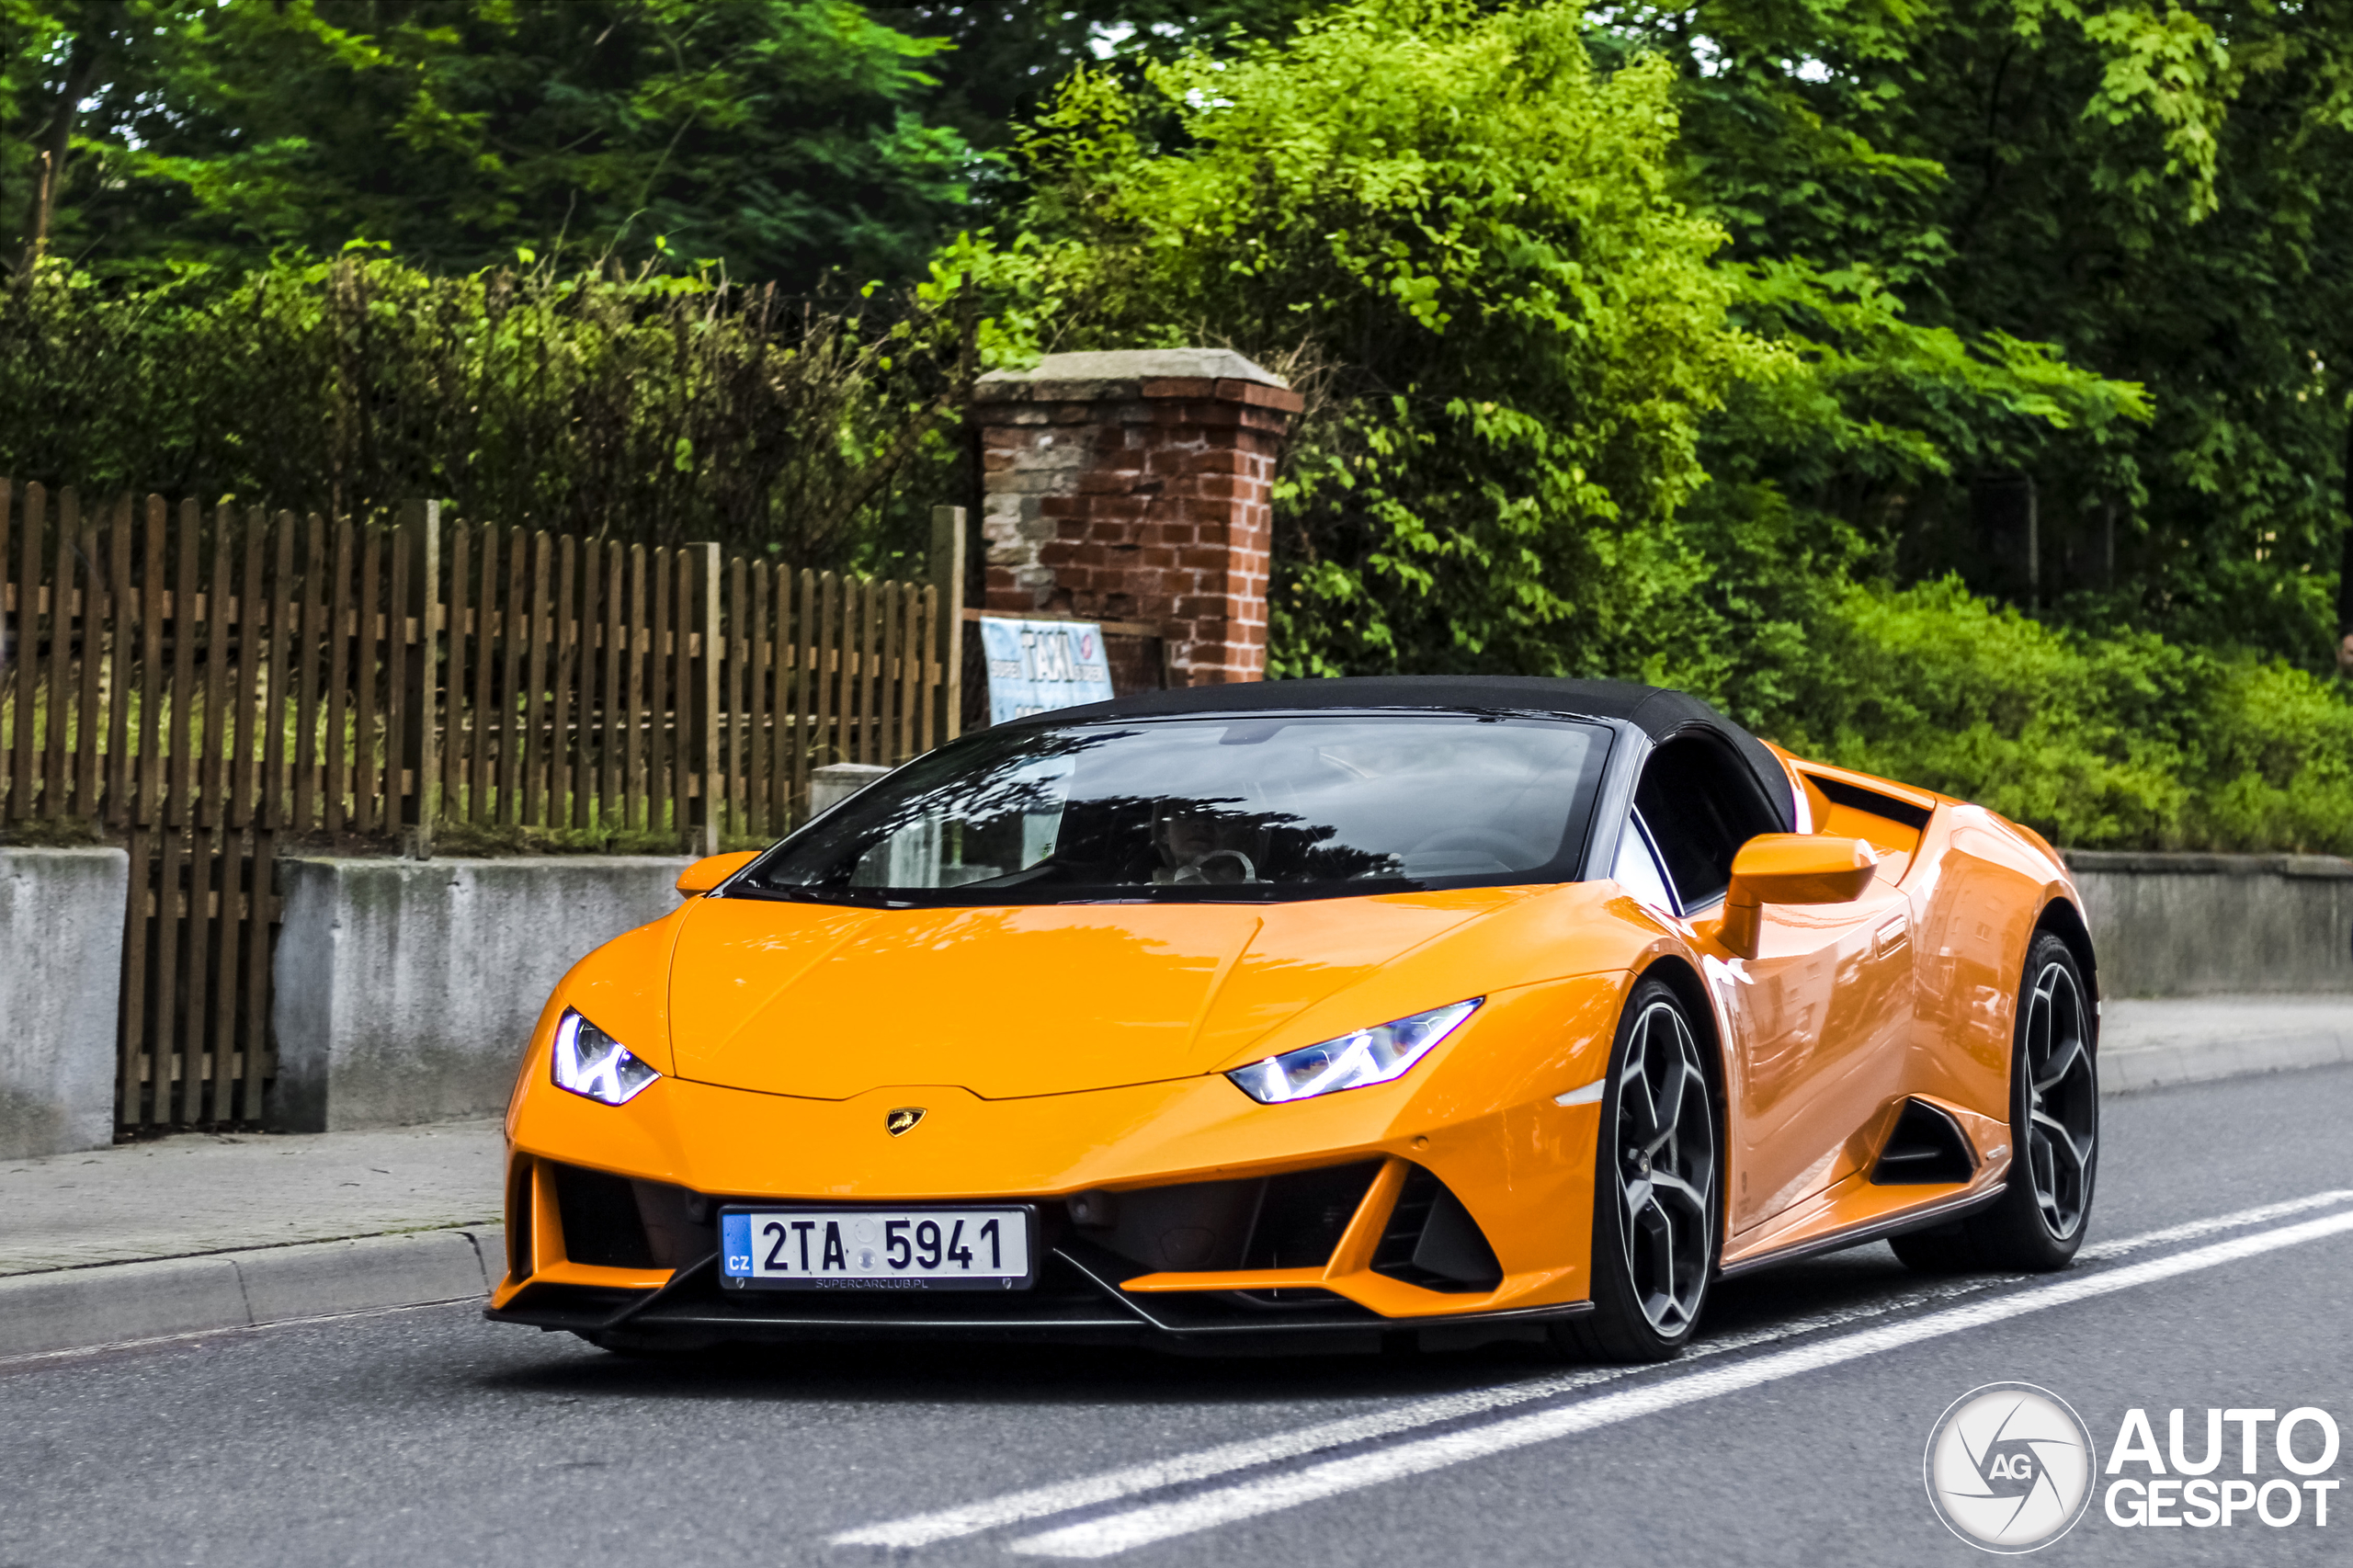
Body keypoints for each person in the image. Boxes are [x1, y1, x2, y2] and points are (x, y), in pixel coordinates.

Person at [1151, 802, 1259, 885]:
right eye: (1183, 813)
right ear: (1163, 832)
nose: (1201, 822)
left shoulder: (1272, 900)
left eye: (1222, 815)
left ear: (1245, 837)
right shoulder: (1137, 898)